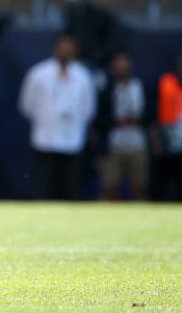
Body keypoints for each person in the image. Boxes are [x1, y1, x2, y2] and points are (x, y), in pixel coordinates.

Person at [19, 33, 96, 200]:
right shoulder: (38, 73)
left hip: (72, 139)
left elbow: (89, 108)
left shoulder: (83, 76)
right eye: (62, 47)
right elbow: (26, 104)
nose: (65, 51)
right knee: (41, 186)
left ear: (75, 50)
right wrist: (44, 119)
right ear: (55, 49)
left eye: (69, 47)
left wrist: (76, 124)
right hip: (44, 138)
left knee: (70, 187)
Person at [96, 52, 148, 200]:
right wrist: (116, 121)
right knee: (109, 188)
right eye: (117, 64)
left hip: (137, 144)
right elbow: (99, 118)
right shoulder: (106, 89)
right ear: (112, 68)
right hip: (113, 145)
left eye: (124, 64)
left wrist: (136, 120)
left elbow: (150, 115)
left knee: (139, 188)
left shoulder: (139, 86)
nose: (121, 68)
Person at [150, 52, 182, 200]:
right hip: (168, 140)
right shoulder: (165, 82)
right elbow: (153, 114)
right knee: (166, 180)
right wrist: (156, 140)